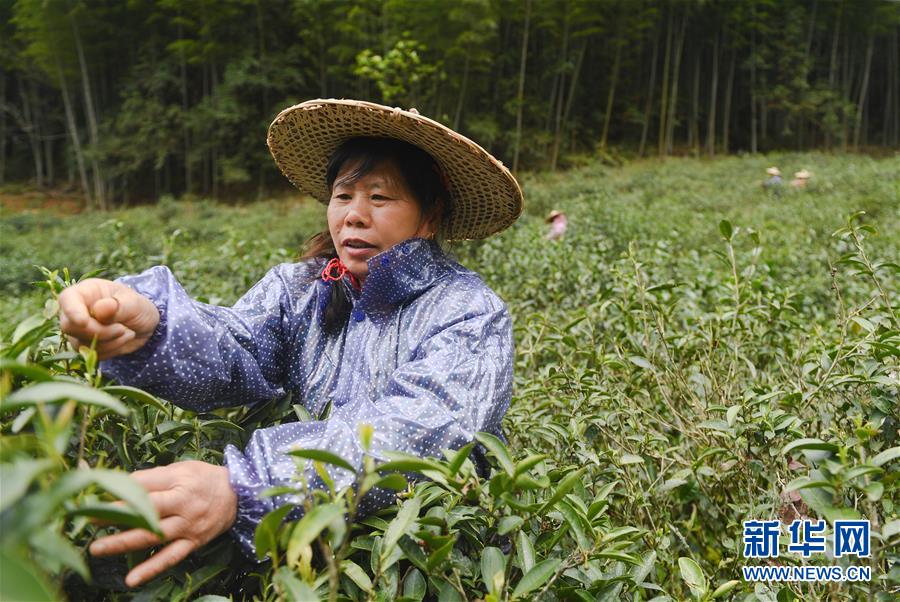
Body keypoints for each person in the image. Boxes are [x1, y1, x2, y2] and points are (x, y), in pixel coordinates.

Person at [58, 99, 523, 588]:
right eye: (343, 196)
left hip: (426, 560)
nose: (354, 217)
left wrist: (251, 486)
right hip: (308, 547)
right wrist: (152, 324)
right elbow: (235, 351)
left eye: (380, 199)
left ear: (429, 217)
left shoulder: (468, 309)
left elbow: (425, 430)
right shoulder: (301, 288)